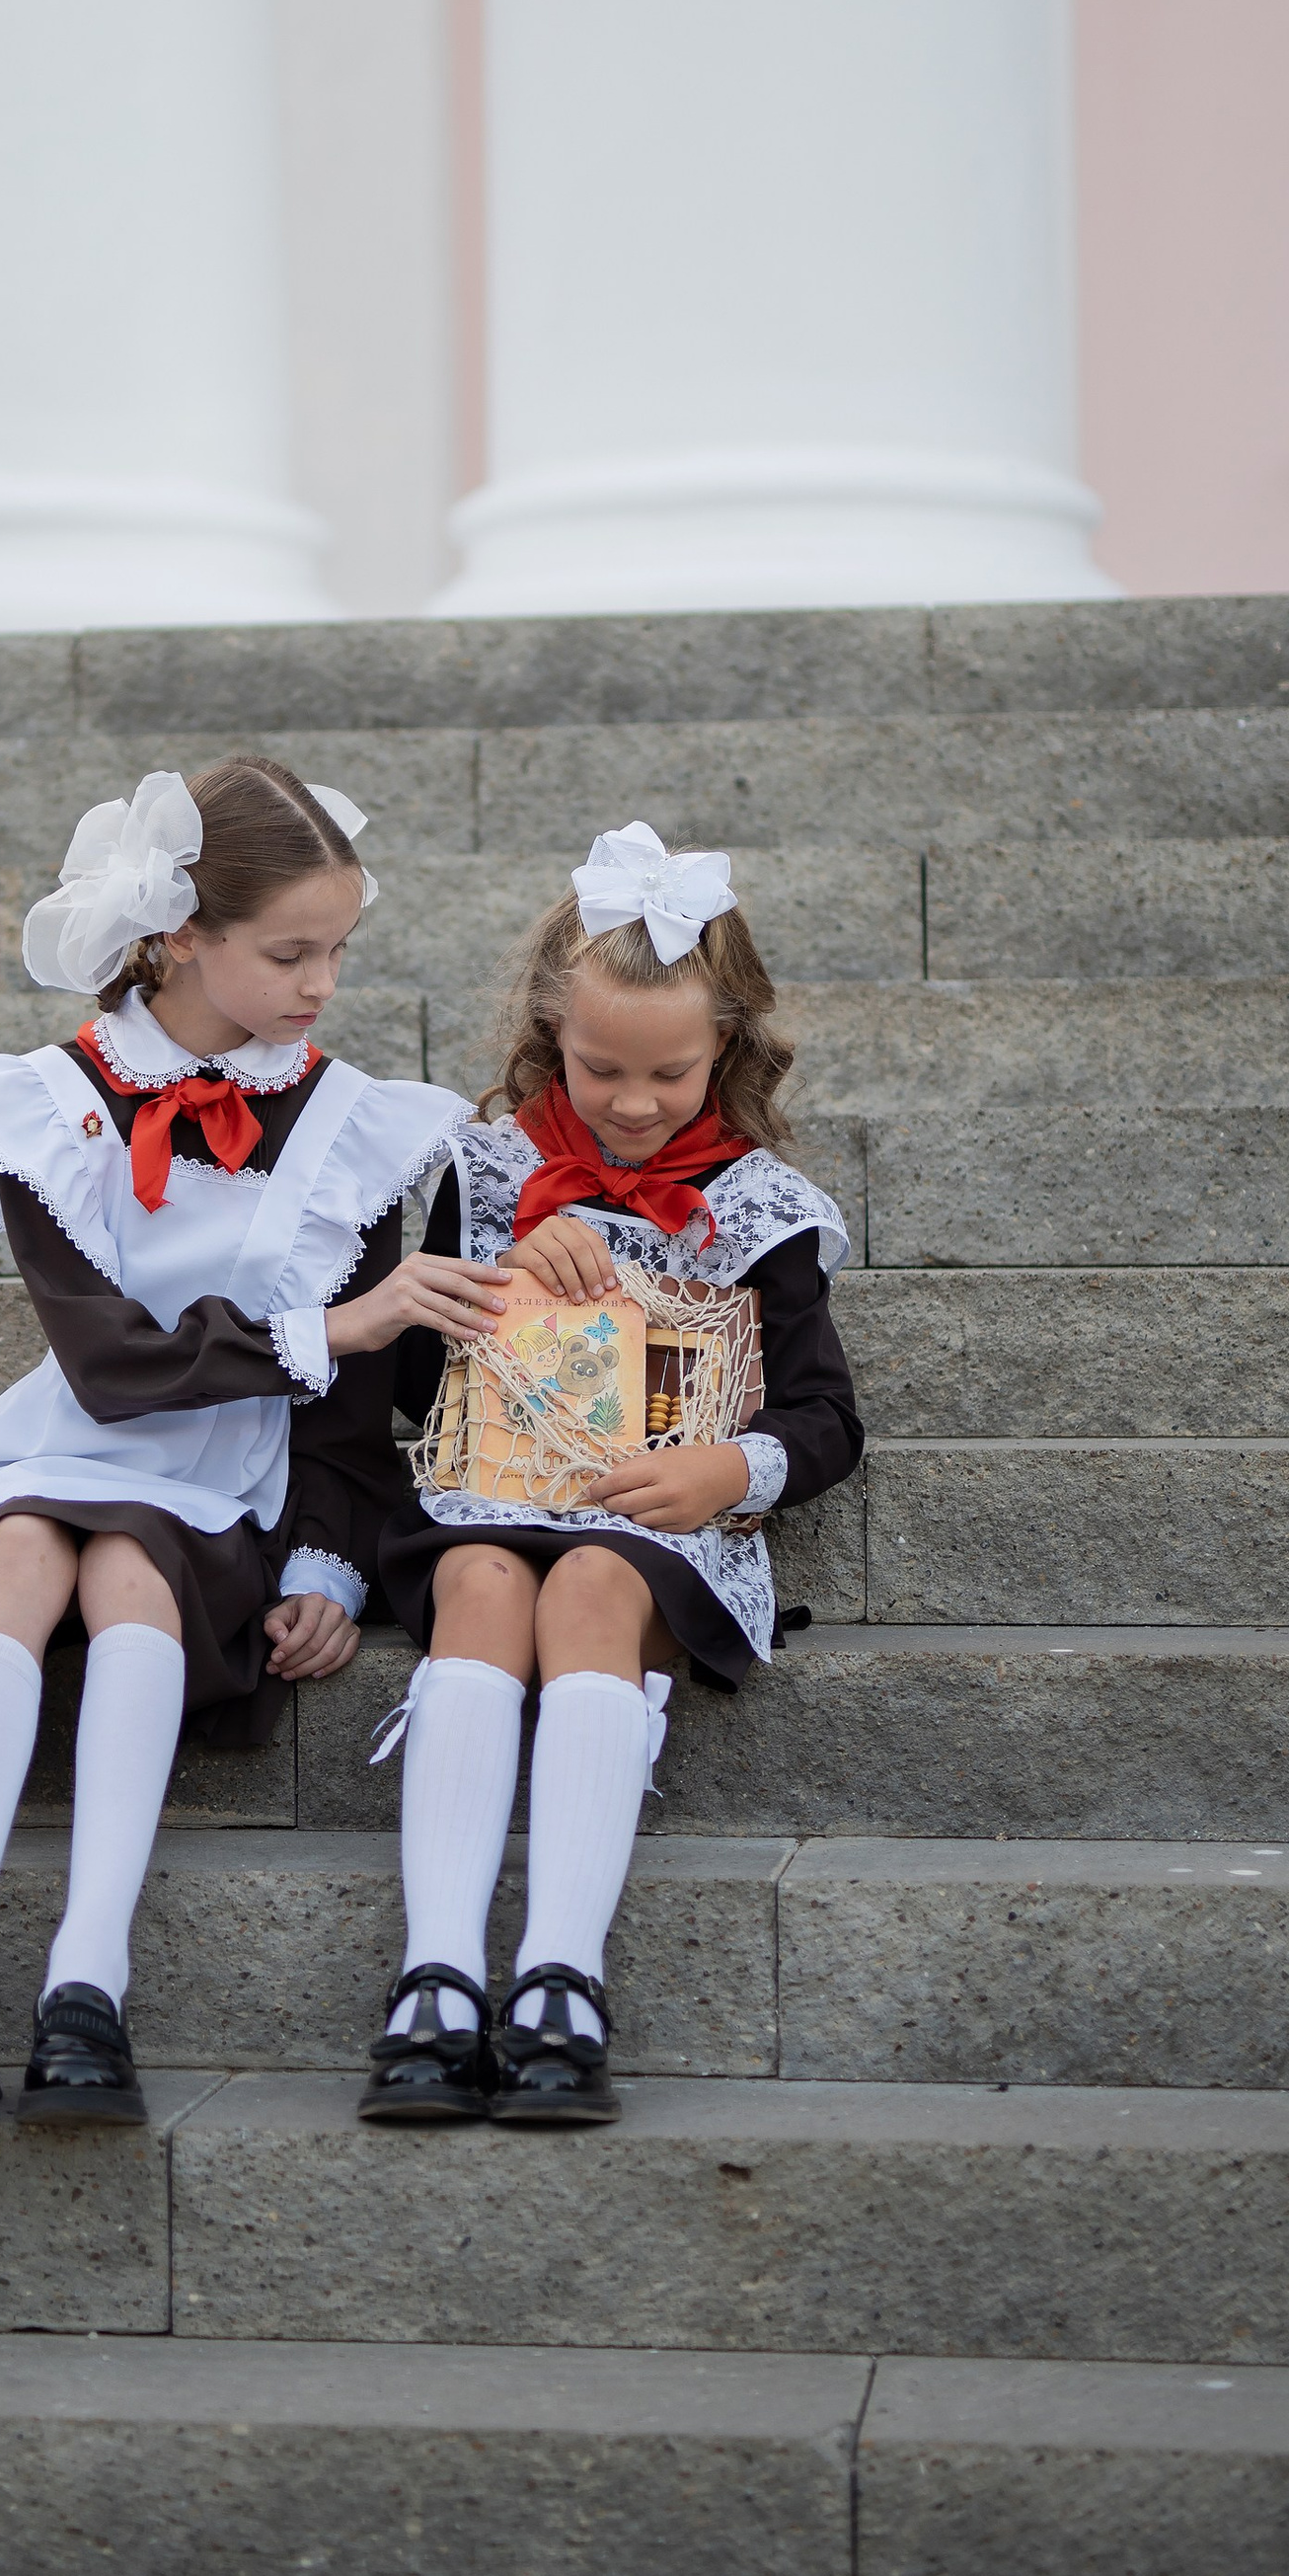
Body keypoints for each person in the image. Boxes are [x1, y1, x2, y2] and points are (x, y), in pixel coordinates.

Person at [0, 757, 487, 2126]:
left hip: (228, 1479)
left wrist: (331, 1567)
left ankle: (86, 1984)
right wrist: (336, 1329)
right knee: (18, 1552)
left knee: (122, 1571)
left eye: (340, 950)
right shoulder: (47, 1103)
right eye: (290, 952)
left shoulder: (357, 1124)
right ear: (180, 936)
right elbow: (106, 1369)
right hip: (79, 1437)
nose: (322, 985)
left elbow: (353, 1424)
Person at [361, 822, 862, 2129]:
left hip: (650, 1523)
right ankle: (438, 1977)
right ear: (547, 1041)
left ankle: (560, 1980)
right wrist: (488, 1279)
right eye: (599, 1071)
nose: (634, 1104)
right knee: (475, 1579)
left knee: (587, 1590)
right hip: (482, 1493)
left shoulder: (762, 1206)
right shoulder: (486, 1171)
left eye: (669, 1074)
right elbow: (408, 1393)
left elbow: (825, 1418)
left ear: (728, 1053)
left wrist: (727, 1472)